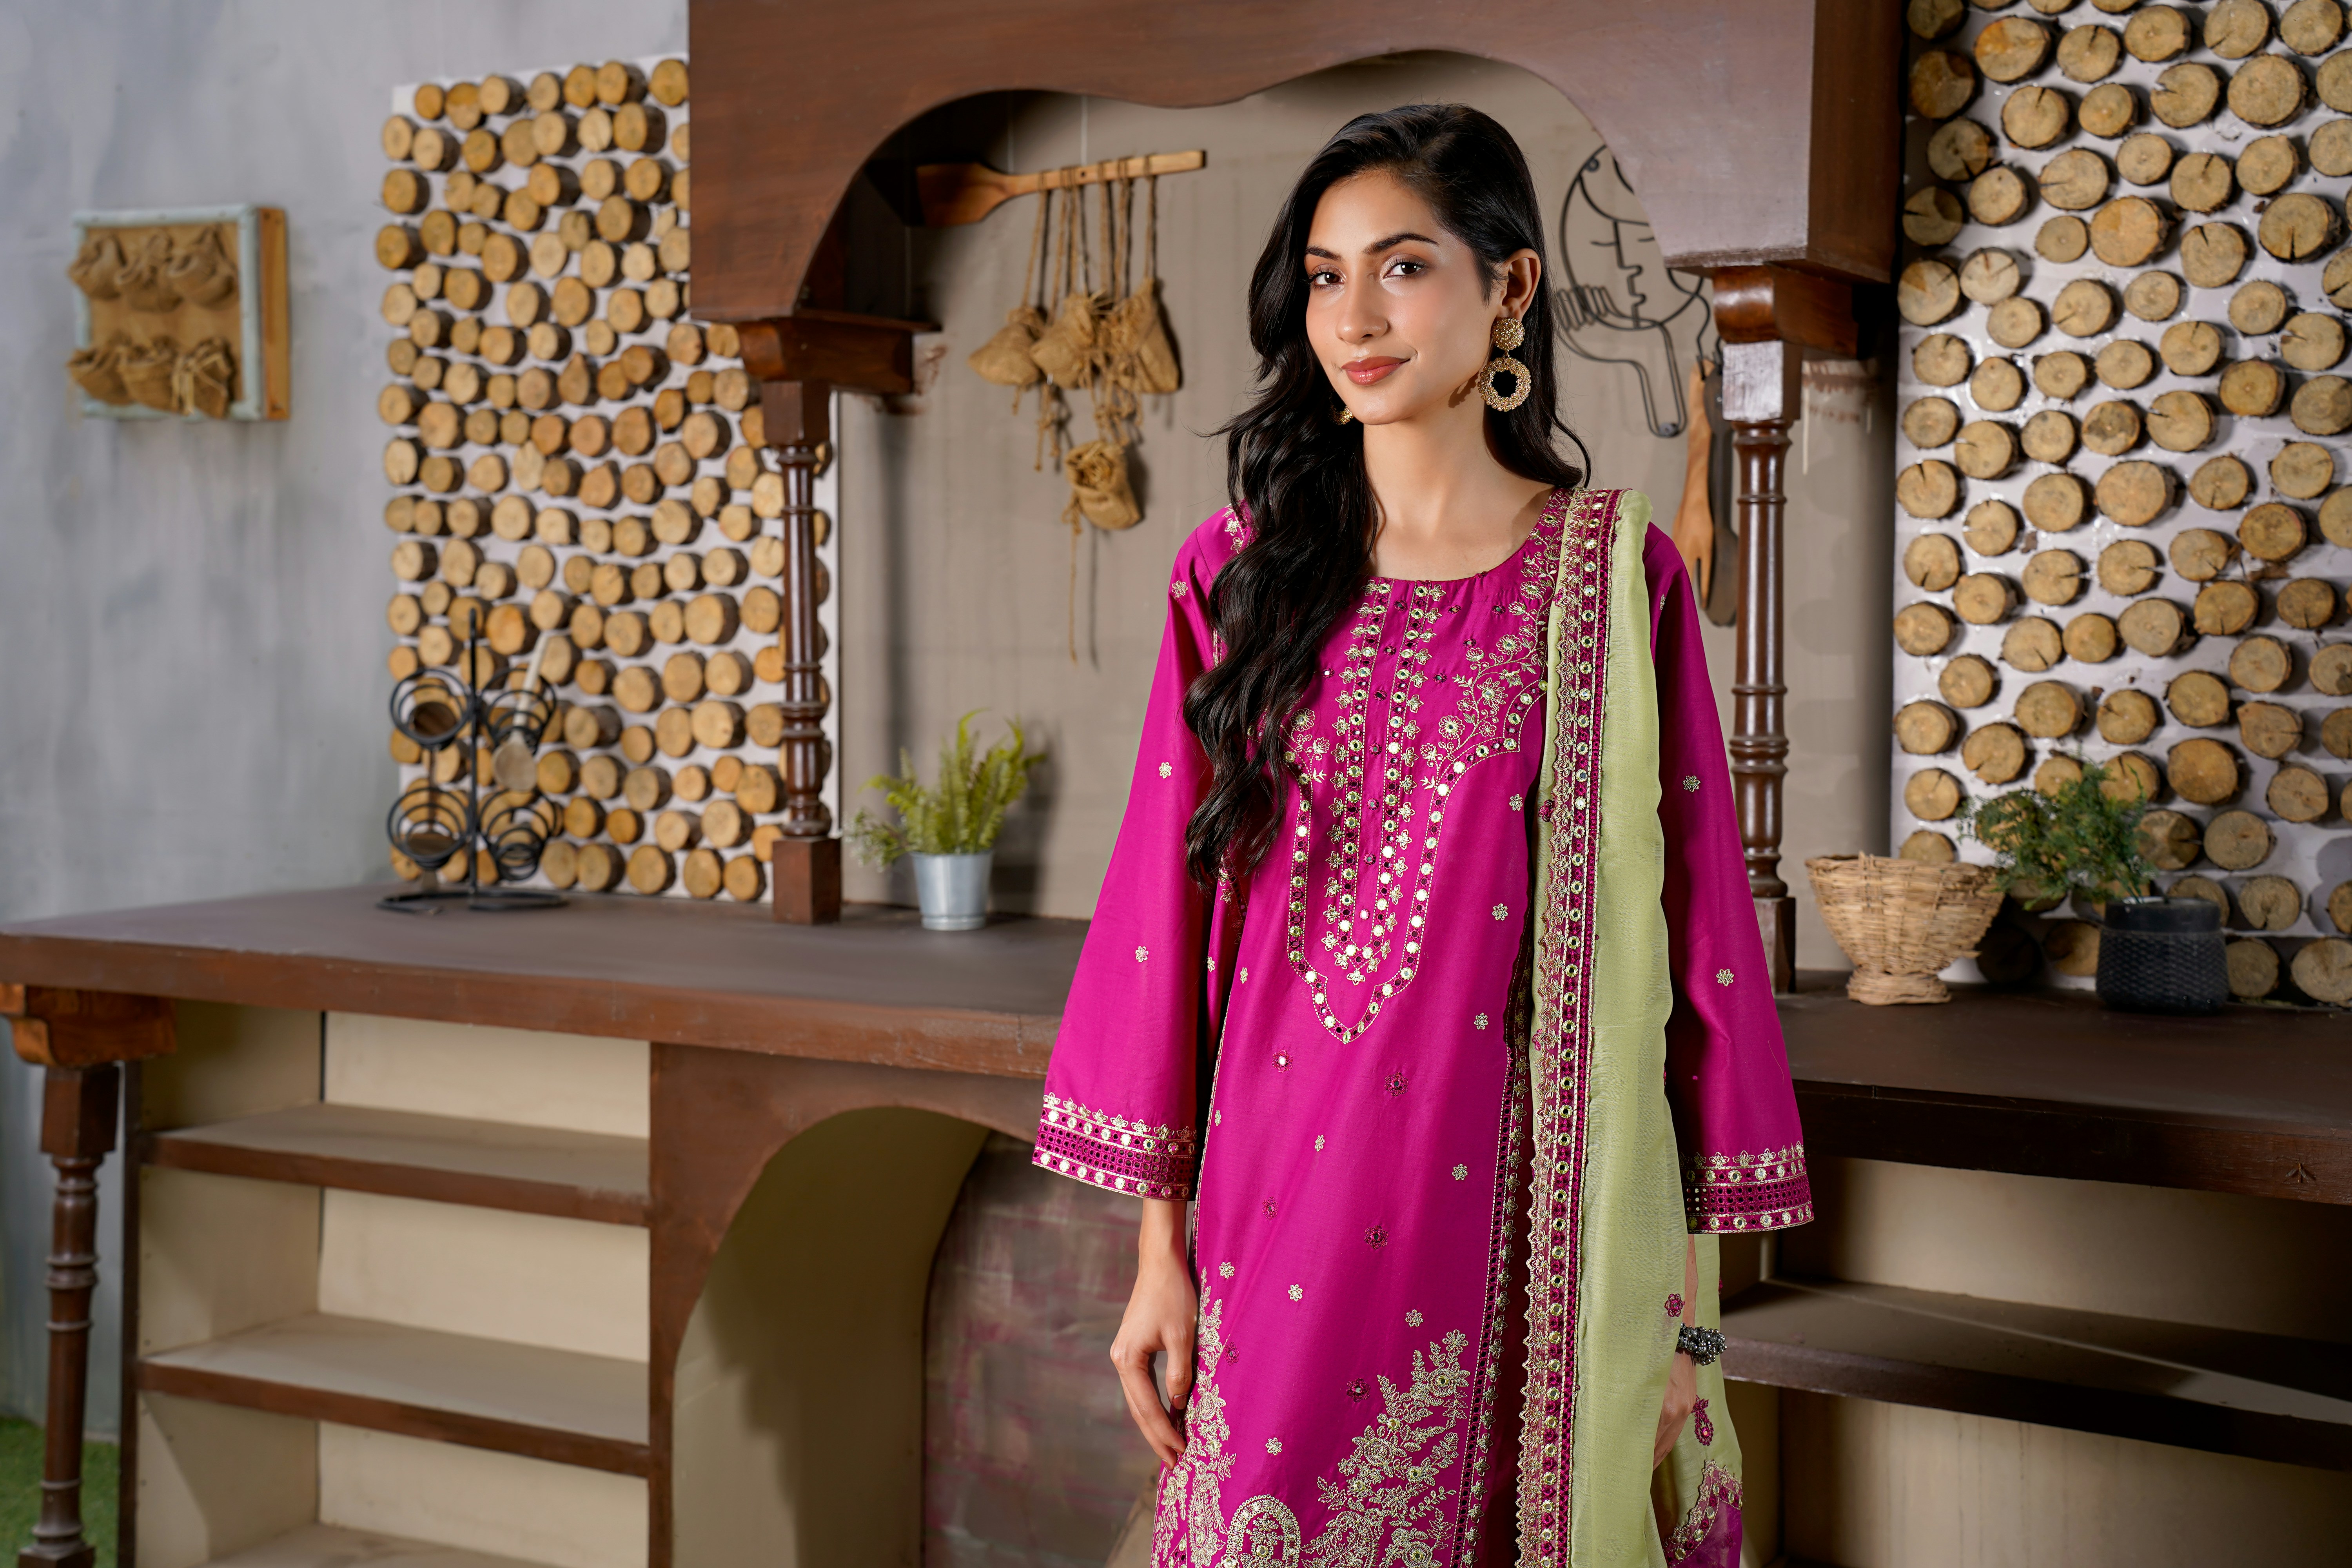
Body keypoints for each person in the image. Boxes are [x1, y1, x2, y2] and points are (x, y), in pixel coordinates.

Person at [1033, 103, 1810, 1567]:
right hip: (1274, 1203)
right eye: (1325, 278)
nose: (1354, 318)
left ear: (1509, 288)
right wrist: (1157, 1254)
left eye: (1401, 268)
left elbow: (1699, 937)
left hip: (1532, 1225)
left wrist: (1680, 1317)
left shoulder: (1612, 579)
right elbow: (1170, 912)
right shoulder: (1243, 578)